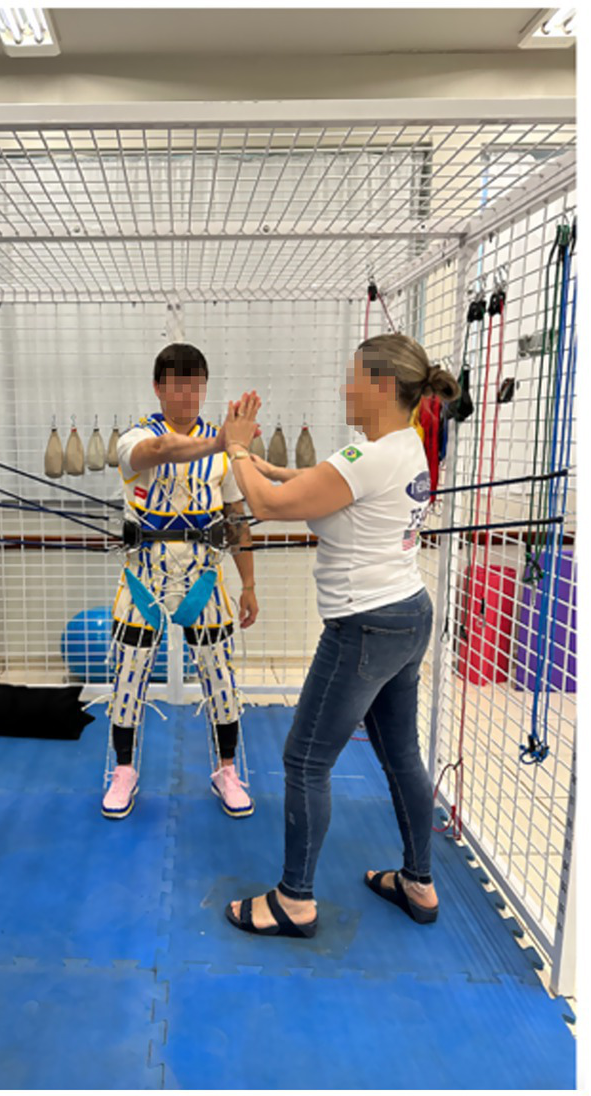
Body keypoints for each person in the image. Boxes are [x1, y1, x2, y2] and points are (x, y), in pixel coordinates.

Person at [218, 333, 459, 937]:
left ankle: (295, 900)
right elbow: (319, 485)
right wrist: (266, 465)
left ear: (379, 385)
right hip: (407, 614)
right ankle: (418, 882)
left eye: (353, 376)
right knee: (400, 753)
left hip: (365, 626)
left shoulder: (370, 457)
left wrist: (238, 450)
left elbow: (271, 506)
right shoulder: (404, 448)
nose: (344, 387)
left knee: (304, 759)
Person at [102, 343, 260, 820]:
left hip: (204, 577)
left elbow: (236, 519)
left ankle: (227, 770)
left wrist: (249, 584)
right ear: (158, 387)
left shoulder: (224, 453)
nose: (188, 393)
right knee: (128, 675)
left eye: (196, 385)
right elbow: (161, 450)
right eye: (177, 383)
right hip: (144, 576)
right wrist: (225, 443)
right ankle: (124, 771)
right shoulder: (135, 439)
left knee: (221, 676)